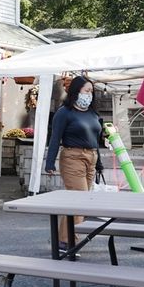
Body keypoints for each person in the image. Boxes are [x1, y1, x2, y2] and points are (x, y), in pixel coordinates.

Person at [44, 76, 104, 253]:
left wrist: (99, 162)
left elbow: (95, 140)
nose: (89, 95)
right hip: (72, 157)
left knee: (79, 202)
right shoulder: (64, 112)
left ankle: (64, 240)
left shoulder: (93, 113)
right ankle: (70, 240)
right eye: (87, 91)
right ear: (76, 91)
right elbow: (55, 138)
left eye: (91, 92)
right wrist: (50, 163)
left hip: (91, 158)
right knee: (80, 198)